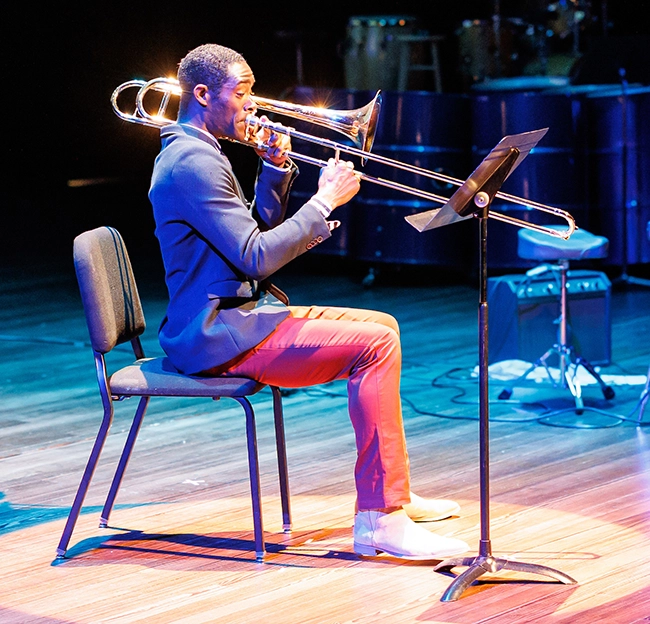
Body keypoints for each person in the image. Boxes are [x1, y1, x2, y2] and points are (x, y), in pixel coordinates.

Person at [148, 43, 469, 560]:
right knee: (375, 347)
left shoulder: (198, 152)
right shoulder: (192, 162)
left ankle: (393, 496)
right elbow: (255, 258)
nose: (255, 106)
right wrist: (322, 202)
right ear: (203, 94)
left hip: (229, 318)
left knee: (383, 325)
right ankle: (379, 519)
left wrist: (275, 171)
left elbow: (248, 238)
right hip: (214, 334)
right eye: (244, 93)